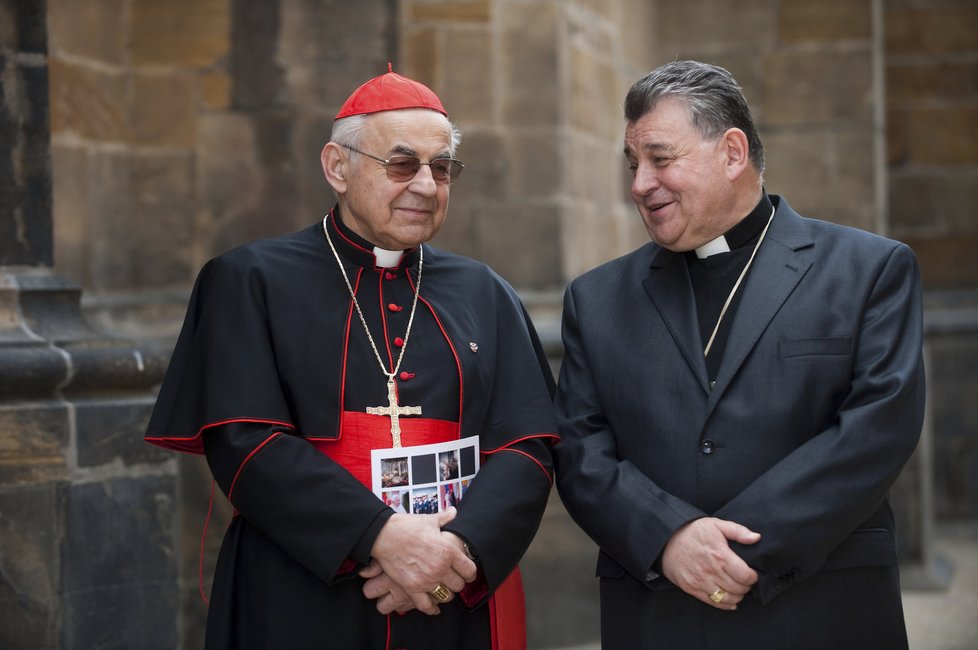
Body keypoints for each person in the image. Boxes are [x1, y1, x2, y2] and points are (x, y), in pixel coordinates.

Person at [145, 66, 558, 650]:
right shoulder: (249, 280)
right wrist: (381, 536)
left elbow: (528, 444)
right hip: (305, 580)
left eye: (441, 168)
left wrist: (458, 551)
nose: (424, 184)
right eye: (401, 163)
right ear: (337, 167)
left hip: (454, 587)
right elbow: (244, 439)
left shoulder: (485, 291)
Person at [553, 60, 925, 649]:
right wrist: (670, 539)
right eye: (633, 165)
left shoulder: (867, 270)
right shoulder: (596, 299)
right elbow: (579, 449)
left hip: (821, 606)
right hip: (660, 611)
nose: (639, 185)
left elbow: (877, 430)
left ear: (732, 153)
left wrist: (732, 549)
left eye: (660, 158)